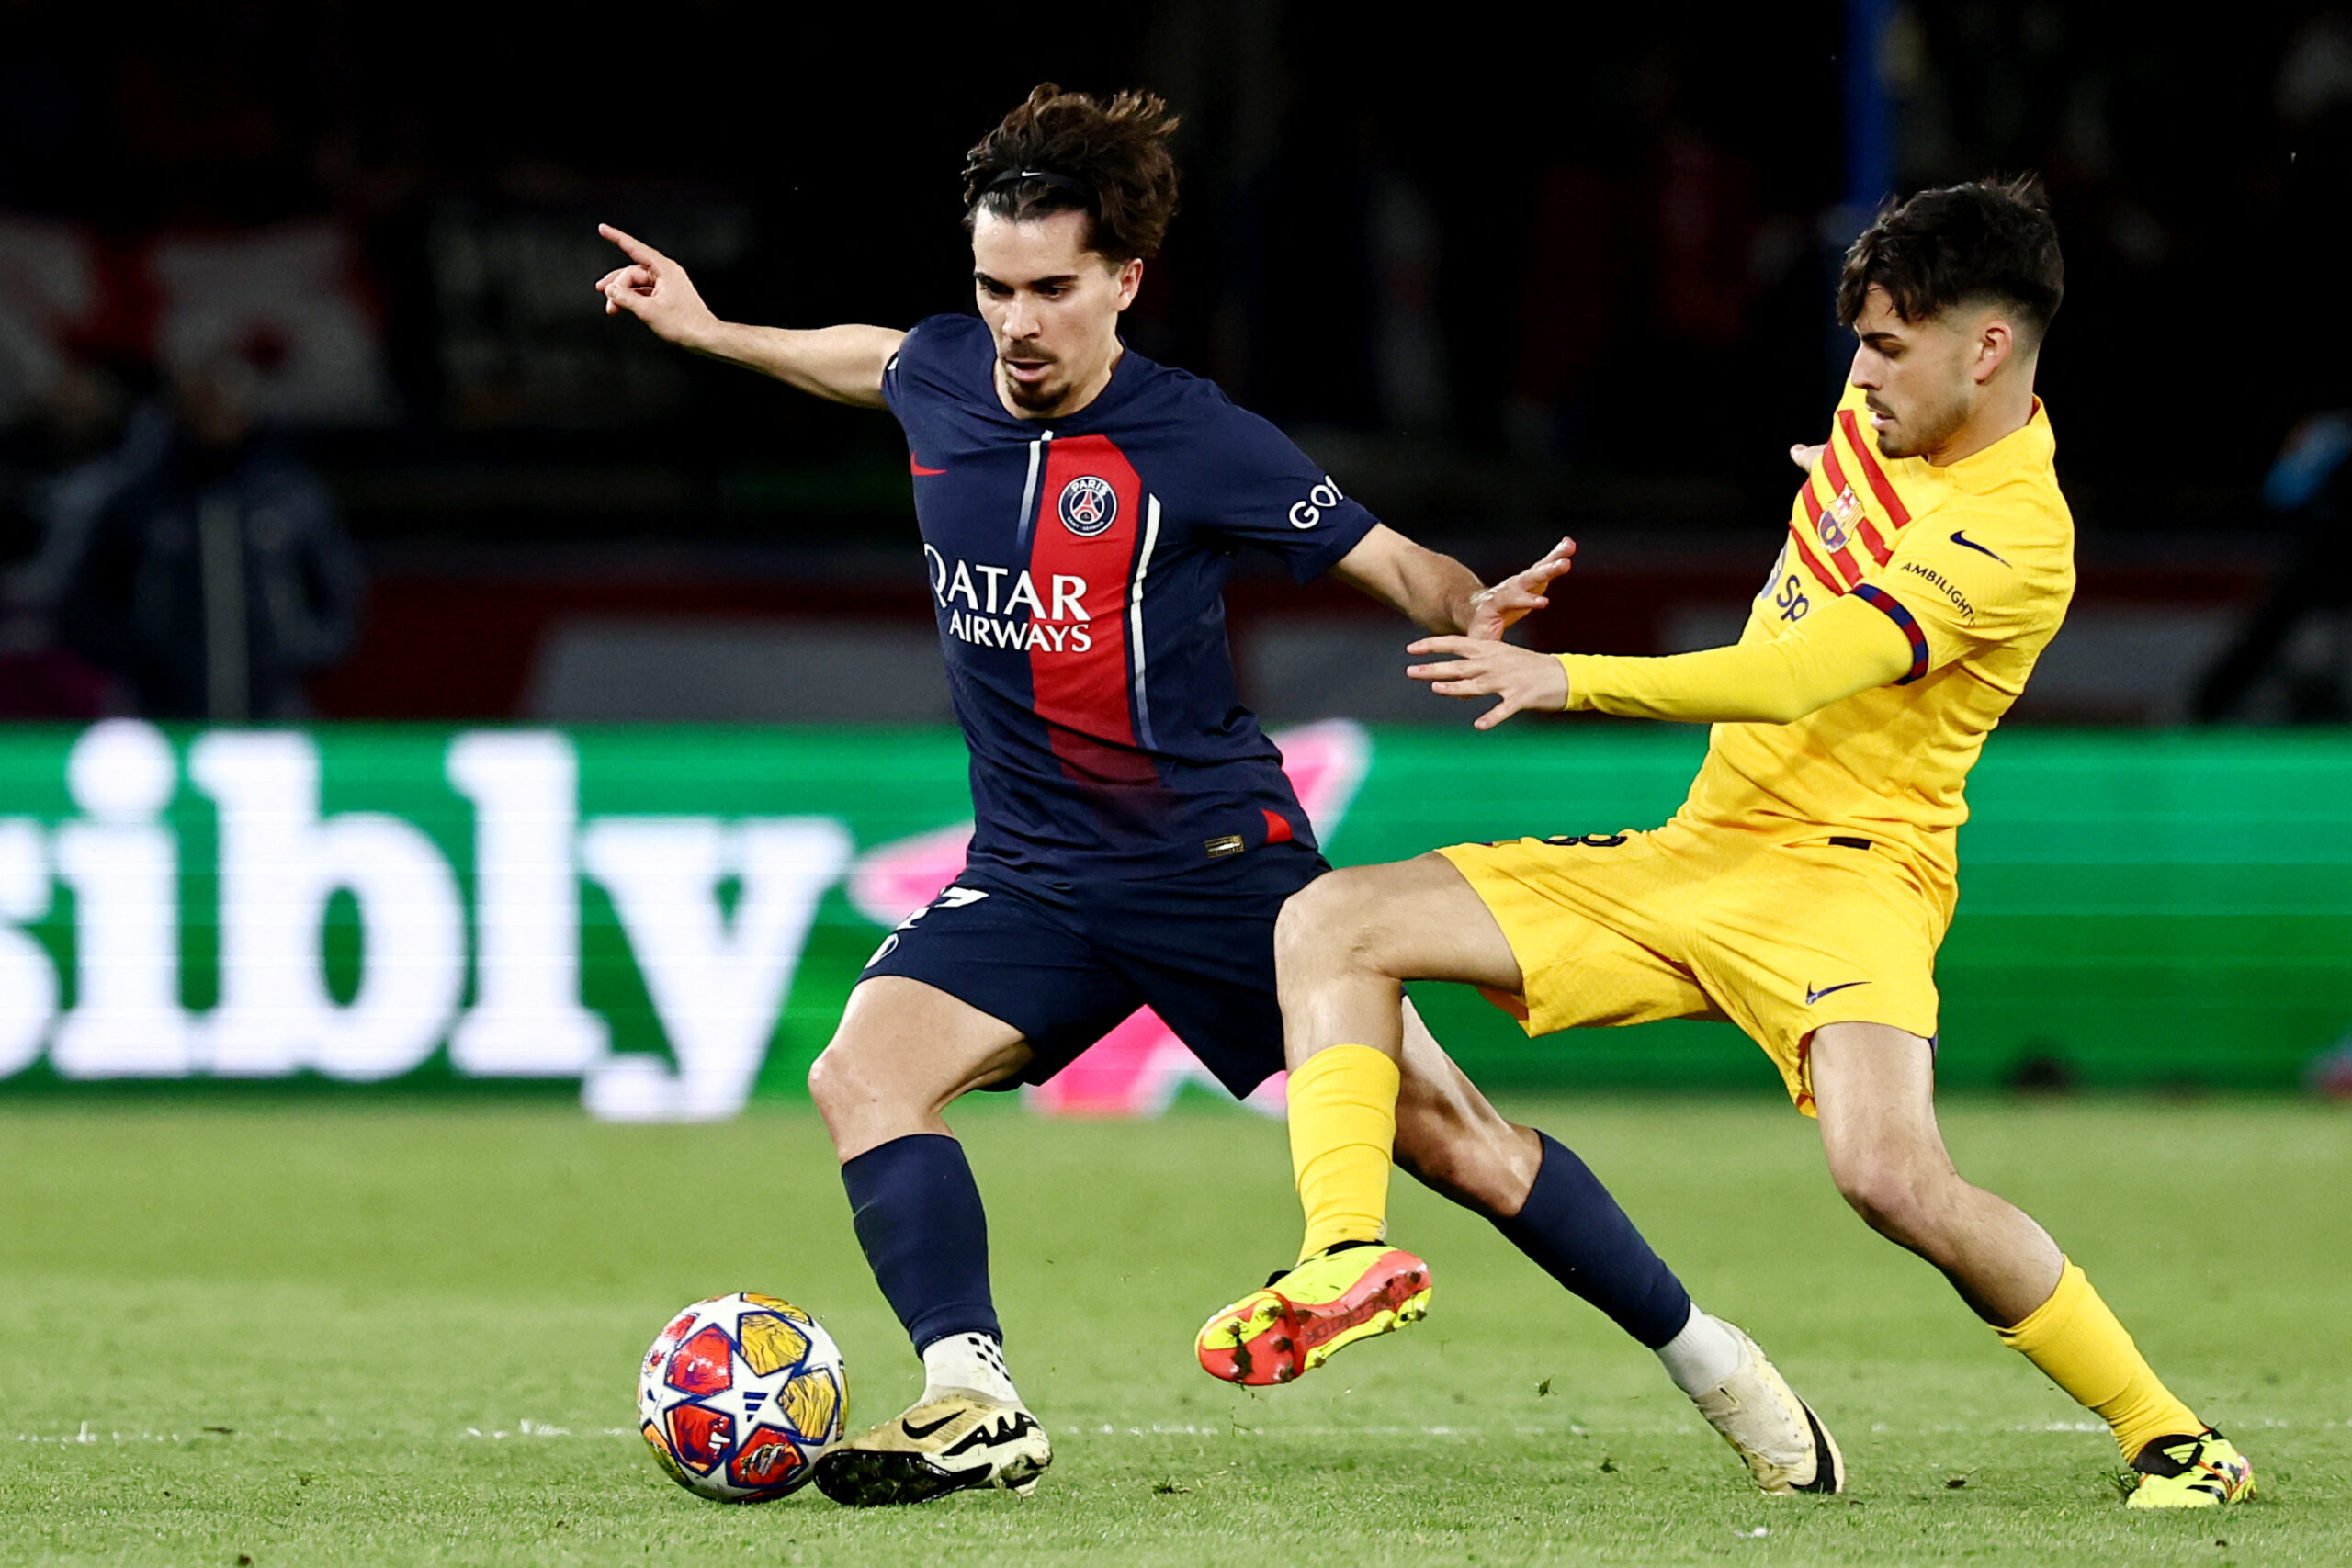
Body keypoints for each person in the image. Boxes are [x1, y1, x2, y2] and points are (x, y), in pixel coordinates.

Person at [598, 84, 1843, 1507]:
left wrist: (1470, 600)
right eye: (996, 288)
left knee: (1459, 1146)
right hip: (1034, 872)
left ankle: (1714, 1361)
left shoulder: (1200, 442)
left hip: (1215, 868)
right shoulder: (946, 373)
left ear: (1125, 280)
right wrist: (711, 330)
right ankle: (971, 1391)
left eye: (1052, 289)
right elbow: (870, 358)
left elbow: (1395, 565)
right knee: (864, 1075)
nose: (1017, 324)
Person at [1207, 175, 2255, 1510]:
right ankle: (1344, 1251)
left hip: (1854, 880)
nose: (1859, 374)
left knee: (1893, 1180)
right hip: (1702, 848)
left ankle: (2170, 1437)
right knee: (1331, 921)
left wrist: (1567, 680)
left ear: (1988, 349)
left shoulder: (2010, 535)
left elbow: (1793, 676)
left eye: (1886, 346)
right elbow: (1824, 548)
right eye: (1860, 343)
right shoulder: (1882, 421)